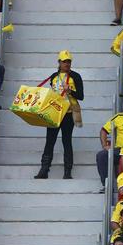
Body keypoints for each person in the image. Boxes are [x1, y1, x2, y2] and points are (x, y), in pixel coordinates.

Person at [34, 50, 84, 180]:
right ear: (59, 62)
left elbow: (81, 96)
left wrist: (70, 91)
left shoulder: (76, 76)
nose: (67, 64)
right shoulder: (53, 76)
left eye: (69, 61)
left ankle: (67, 172)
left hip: (68, 113)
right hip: (54, 112)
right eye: (64, 61)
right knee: (49, 141)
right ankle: (44, 170)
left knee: (67, 141)